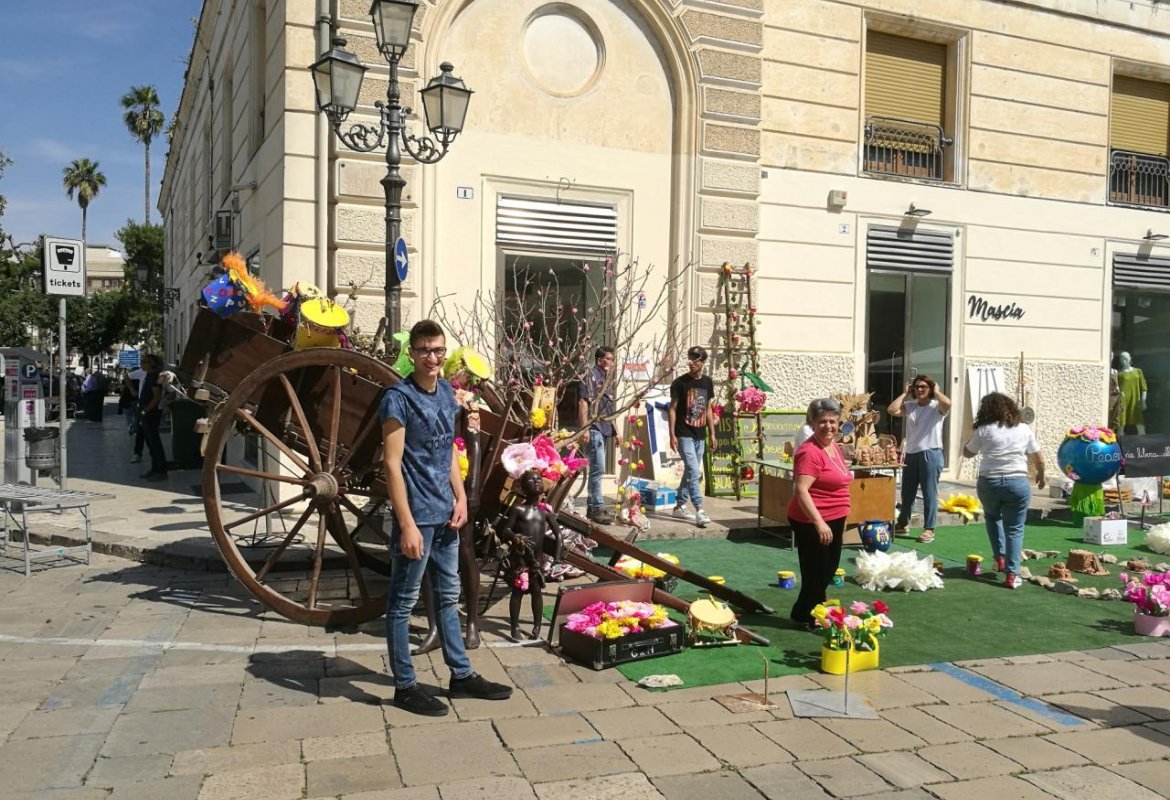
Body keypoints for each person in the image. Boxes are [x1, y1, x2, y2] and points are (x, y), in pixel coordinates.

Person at [380, 319, 512, 717]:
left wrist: (460, 498)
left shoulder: (446, 394)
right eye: (424, 351)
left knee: (449, 597)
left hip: (446, 516)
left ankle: (461, 675)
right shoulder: (397, 398)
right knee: (402, 605)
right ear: (412, 354)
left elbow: (448, 453)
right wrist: (405, 524)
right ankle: (405, 686)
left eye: (438, 350)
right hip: (417, 516)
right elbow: (391, 463)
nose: (432, 358)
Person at [962, 392, 1046, 590]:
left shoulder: (984, 429)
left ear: (986, 410)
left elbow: (967, 453)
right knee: (1015, 528)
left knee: (992, 517)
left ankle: (999, 557)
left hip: (989, 481)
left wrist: (969, 436)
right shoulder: (1024, 429)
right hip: (1016, 481)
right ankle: (1012, 574)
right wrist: (1041, 475)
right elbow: (1038, 458)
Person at [789, 398, 852, 629]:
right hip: (811, 518)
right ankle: (809, 614)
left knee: (828, 569)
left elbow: (840, 482)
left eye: (833, 421)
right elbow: (801, 490)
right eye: (822, 421)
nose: (828, 426)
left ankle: (804, 611)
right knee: (816, 571)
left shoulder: (833, 446)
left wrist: (842, 517)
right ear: (812, 423)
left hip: (834, 516)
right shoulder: (810, 451)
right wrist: (819, 522)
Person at [500, 469, 563, 641]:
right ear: (522, 488)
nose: (536, 482)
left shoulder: (545, 512)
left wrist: (557, 556)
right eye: (531, 480)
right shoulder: (518, 509)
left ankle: (536, 626)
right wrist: (515, 537)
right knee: (518, 591)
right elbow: (505, 530)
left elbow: (558, 535)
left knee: (536, 591)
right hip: (520, 559)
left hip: (537, 560)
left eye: (538, 479)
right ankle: (514, 627)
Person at [886, 374, 951, 543]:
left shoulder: (937, 407)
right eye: (917, 387)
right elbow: (892, 410)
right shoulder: (910, 406)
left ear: (930, 389)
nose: (920, 390)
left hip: (931, 453)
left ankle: (929, 529)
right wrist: (905, 393)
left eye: (924, 387)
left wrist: (936, 391)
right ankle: (903, 523)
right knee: (907, 493)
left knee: (929, 493)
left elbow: (948, 403)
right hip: (912, 454)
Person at [669, 346, 718, 528]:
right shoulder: (679, 383)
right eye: (690, 358)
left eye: (696, 359)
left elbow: (708, 408)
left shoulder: (707, 382)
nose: (692, 362)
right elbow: (672, 409)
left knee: (691, 471)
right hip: (684, 433)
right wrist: (672, 434)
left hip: (700, 434)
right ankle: (699, 509)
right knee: (694, 470)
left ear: (703, 362)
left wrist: (712, 433)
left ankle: (679, 506)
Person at [578, 346, 616, 524]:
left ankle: (591, 507)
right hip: (594, 428)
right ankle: (597, 507)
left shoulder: (607, 380)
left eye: (612, 359)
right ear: (600, 360)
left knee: (597, 469)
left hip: (605, 428)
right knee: (598, 468)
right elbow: (583, 402)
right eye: (608, 359)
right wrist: (584, 428)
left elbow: (609, 408)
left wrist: (617, 431)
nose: (611, 362)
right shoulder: (590, 376)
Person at [138, 355, 168, 482]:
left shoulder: (153, 377)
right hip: (146, 412)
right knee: (150, 443)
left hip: (151, 413)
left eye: (144, 362)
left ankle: (161, 471)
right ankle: (154, 469)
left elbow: (156, 397)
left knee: (154, 443)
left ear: (151, 364)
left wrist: (146, 410)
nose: (141, 364)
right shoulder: (149, 376)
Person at [1115, 351, 1147, 434]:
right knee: (1121, 423)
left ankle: (1144, 443)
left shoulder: (1138, 371)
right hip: (1123, 400)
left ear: (1130, 358)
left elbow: (1144, 387)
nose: (1124, 360)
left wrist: (1143, 401)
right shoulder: (1119, 373)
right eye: (1122, 358)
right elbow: (1115, 387)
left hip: (1135, 401)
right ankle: (1121, 444)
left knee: (1139, 422)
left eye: (1126, 358)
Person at [128, 364, 146, 463]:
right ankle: (137, 453)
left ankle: (155, 456)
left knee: (152, 434)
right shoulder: (141, 372)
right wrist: (132, 390)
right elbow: (128, 376)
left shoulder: (161, 375)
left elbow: (170, 392)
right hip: (142, 406)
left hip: (155, 408)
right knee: (140, 431)